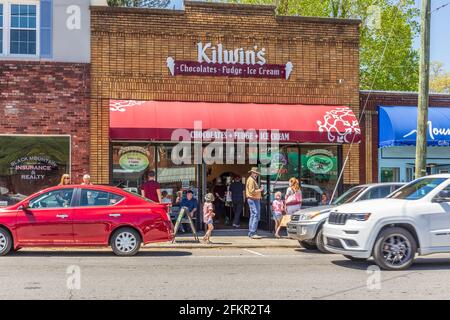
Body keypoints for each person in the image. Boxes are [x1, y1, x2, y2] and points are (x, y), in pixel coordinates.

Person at [246, 167, 264, 239]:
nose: (256, 174)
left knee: (253, 215)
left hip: (254, 199)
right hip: (253, 199)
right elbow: (251, 191)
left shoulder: (252, 179)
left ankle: (251, 232)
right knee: (256, 214)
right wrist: (260, 190)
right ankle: (252, 232)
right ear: (252, 172)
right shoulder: (251, 180)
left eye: (257, 173)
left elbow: (252, 191)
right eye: (255, 173)